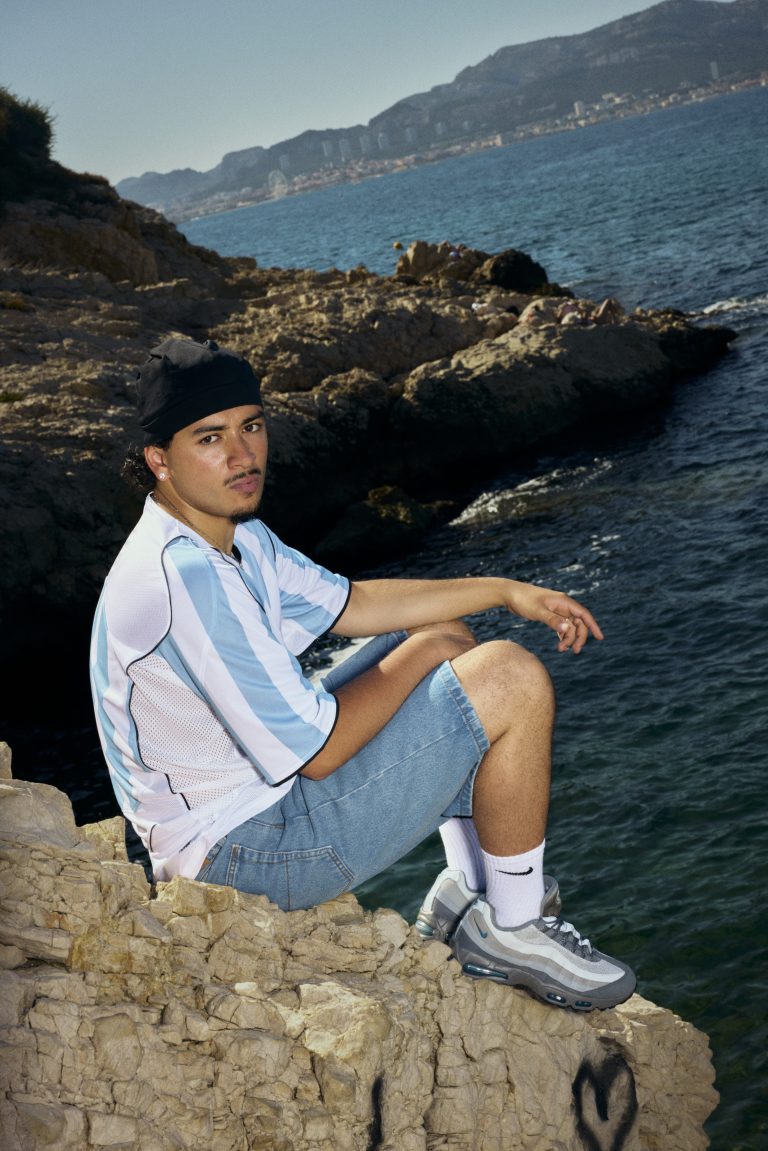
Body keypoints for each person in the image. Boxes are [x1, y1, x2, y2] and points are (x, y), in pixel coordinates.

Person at [90, 337, 636, 1012]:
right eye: (210, 438)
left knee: (448, 635)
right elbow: (321, 754)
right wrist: (428, 651)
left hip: (251, 810)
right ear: (159, 459)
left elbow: (356, 604)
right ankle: (512, 927)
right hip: (241, 858)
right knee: (509, 677)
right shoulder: (186, 577)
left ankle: (469, 889)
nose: (242, 455)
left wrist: (504, 591)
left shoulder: (232, 536)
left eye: (251, 427)